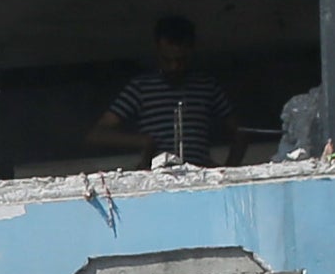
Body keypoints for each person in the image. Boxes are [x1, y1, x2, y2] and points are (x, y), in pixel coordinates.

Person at [90, 17, 239, 168]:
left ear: (192, 50)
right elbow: (97, 134)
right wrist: (143, 142)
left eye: (181, 60)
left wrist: (229, 172)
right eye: (167, 60)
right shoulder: (141, 87)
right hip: (157, 178)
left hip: (200, 176)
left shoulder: (207, 86)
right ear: (157, 50)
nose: (174, 67)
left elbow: (240, 132)